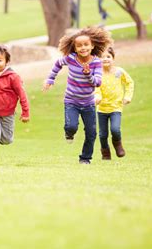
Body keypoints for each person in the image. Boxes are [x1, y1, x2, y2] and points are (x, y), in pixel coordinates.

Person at [42, 27, 112, 164]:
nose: (83, 48)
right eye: (79, 45)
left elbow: (97, 83)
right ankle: (69, 133)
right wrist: (50, 79)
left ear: (92, 46)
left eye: (86, 45)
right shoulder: (71, 58)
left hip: (88, 103)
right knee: (71, 126)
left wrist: (88, 75)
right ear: (74, 47)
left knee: (91, 133)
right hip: (71, 101)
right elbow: (57, 64)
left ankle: (85, 158)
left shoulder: (96, 62)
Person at [94, 47, 134, 159]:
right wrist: (97, 96)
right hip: (102, 109)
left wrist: (128, 96)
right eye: (102, 57)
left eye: (108, 56)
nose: (105, 59)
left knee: (115, 130)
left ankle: (118, 145)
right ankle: (105, 153)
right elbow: (95, 87)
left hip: (116, 107)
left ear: (113, 58)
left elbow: (129, 83)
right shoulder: (97, 74)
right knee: (102, 135)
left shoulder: (119, 72)